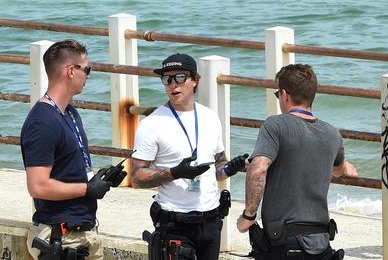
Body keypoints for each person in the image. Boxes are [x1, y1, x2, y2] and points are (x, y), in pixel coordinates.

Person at [130, 53, 249, 260]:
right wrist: (175, 173)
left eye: (180, 78)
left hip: (211, 219)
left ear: (194, 80)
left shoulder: (210, 117)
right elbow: (137, 177)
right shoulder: (152, 124)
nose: (173, 85)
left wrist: (230, 168)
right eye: (167, 79)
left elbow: (218, 168)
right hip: (174, 222)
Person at [236, 64, 358, 260]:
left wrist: (248, 217)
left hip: (282, 241)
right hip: (320, 241)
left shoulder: (275, 125)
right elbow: (338, 169)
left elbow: (257, 169)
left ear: (284, 95)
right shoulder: (332, 134)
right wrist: (346, 167)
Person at [20, 39, 120, 260]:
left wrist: (101, 179)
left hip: (83, 233)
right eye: (87, 70)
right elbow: (37, 186)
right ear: (70, 71)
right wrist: (87, 189)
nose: (89, 75)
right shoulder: (42, 122)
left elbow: (71, 169)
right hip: (61, 237)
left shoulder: (70, 113)